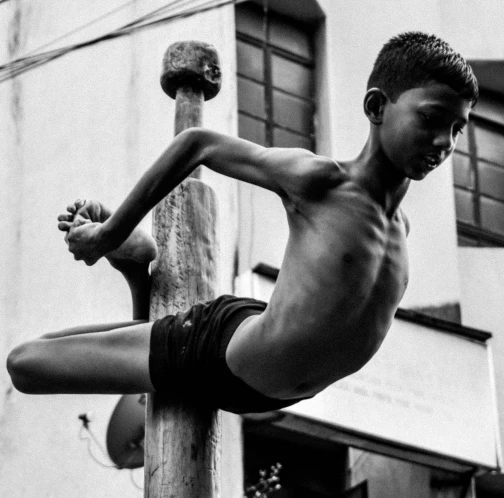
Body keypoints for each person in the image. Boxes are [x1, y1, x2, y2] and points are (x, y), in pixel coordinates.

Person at [6, 32, 478, 414]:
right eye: (432, 119)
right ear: (377, 107)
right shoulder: (321, 182)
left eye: (457, 129)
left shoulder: (402, 230)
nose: (445, 141)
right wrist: (104, 234)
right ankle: (131, 253)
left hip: (262, 394)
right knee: (25, 363)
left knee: (142, 381)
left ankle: (136, 266)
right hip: (217, 353)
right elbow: (198, 144)